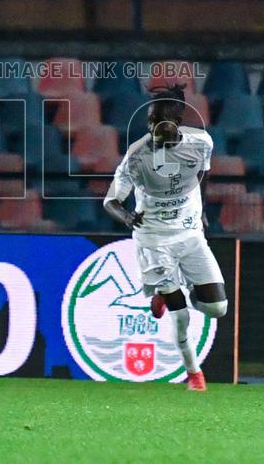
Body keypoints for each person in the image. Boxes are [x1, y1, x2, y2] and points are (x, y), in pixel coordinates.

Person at [102, 84, 227, 391]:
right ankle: (194, 373)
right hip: (154, 241)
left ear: (179, 118)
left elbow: (202, 176)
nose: (153, 127)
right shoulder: (137, 155)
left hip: (190, 234)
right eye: (150, 121)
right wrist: (129, 217)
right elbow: (111, 201)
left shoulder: (201, 143)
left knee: (217, 309)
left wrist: (203, 212)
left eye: (160, 120)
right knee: (181, 315)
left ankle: (168, 291)